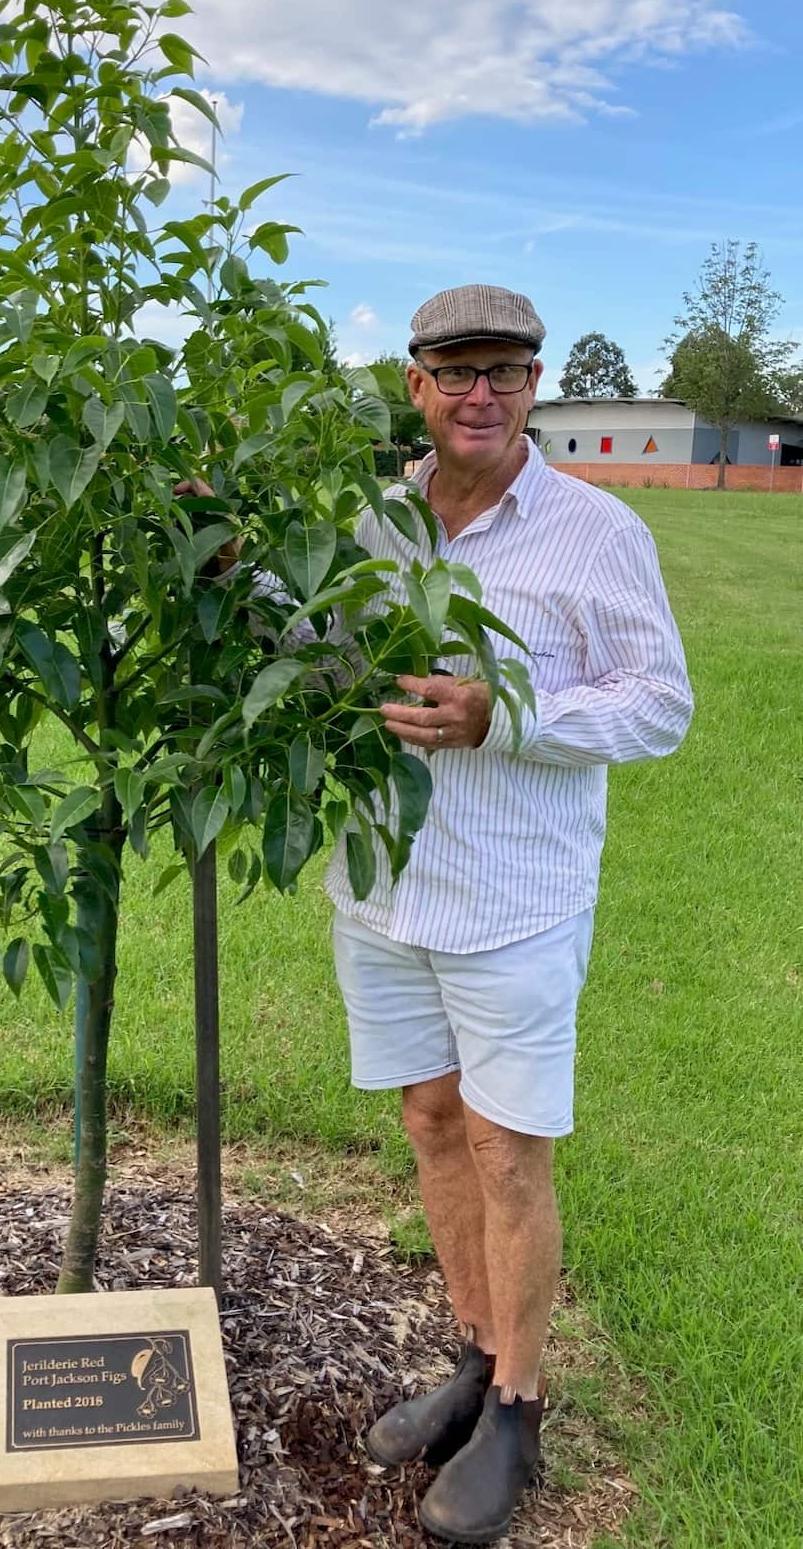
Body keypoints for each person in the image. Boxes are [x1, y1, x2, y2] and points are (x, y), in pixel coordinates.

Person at [327, 285, 693, 1542]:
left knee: (504, 1147)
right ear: (413, 383)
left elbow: (659, 705)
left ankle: (522, 1410)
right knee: (431, 1123)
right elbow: (304, 637)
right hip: (380, 885)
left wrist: (508, 714)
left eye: (506, 369)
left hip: (517, 896)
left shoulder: (594, 531)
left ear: (534, 383)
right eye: (453, 369)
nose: (479, 391)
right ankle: (476, 1360)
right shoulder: (369, 520)